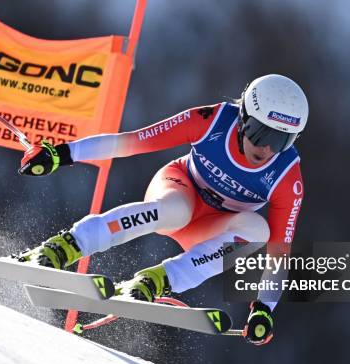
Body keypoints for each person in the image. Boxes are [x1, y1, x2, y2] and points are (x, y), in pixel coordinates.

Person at [16, 74, 307, 346]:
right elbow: (133, 142)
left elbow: (279, 255)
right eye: (259, 133)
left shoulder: (286, 177)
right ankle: (68, 245)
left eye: (282, 140)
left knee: (258, 231)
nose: (267, 148)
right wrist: (62, 154)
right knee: (175, 210)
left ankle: (157, 280)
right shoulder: (212, 121)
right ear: (244, 118)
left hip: (215, 226)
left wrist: (264, 308)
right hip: (180, 187)